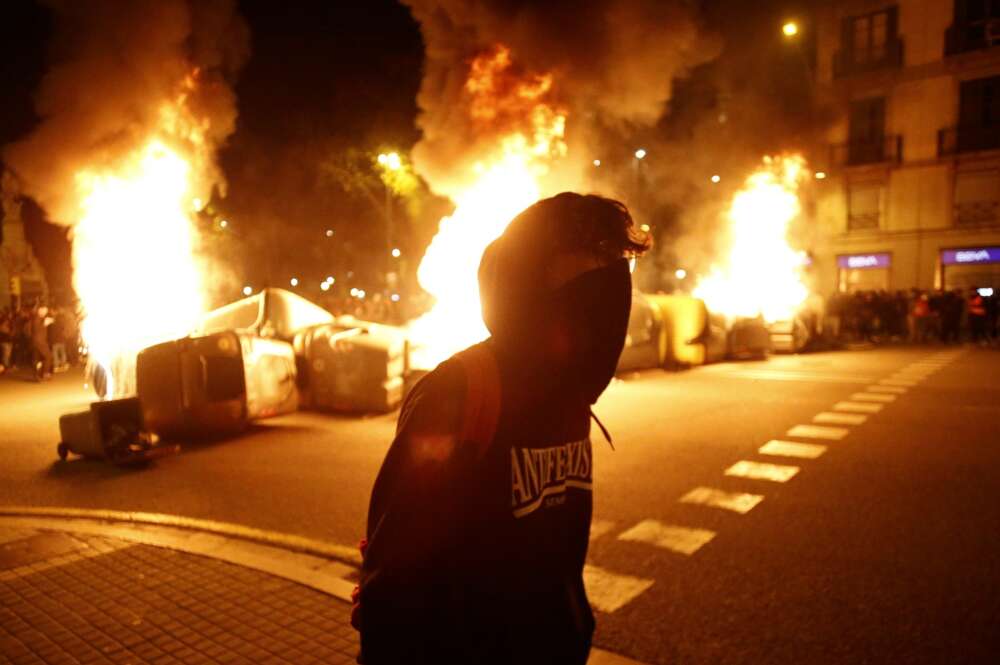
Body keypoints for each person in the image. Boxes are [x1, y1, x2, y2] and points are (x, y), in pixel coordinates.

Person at [354, 193, 650, 664]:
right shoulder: (459, 392)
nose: (610, 285)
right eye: (592, 260)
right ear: (537, 275)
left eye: (616, 265)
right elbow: (394, 578)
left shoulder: (570, 392)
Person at [30, 304, 54, 380]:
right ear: (39, 310)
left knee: (36, 358)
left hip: (37, 341)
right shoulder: (37, 318)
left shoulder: (39, 318)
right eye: (44, 311)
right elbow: (36, 329)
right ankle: (45, 373)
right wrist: (44, 323)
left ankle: (37, 375)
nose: (45, 313)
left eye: (46, 311)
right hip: (39, 342)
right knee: (48, 357)